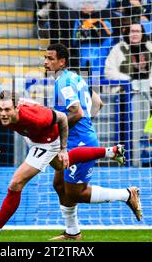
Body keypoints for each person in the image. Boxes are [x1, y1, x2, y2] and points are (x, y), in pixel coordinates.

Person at [0, 90, 127, 242]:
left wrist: (64, 149)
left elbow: (63, 119)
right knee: (60, 166)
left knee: (16, 183)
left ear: (17, 108)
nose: (3, 114)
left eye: (7, 110)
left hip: (48, 140)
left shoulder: (37, 116)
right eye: (0, 109)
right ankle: (111, 152)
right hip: (32, 136)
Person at [45, 43, 143, 240]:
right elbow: (98, 102)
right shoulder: (75, 77)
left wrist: (58, 129)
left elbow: (76, 112)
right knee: (58, 184)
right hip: (75, 139)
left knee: (76, 193)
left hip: (78, 143)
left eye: (50, 59)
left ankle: (126, 194)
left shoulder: (62, 83)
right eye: (45, 58)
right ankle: (72, 232)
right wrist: (86, 126)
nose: (46, 62)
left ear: (61, 61)